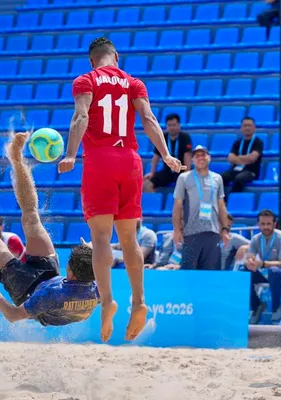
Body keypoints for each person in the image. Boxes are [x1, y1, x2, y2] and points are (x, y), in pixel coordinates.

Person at [58, 36, 183, 342]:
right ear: (116, 56)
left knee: (101, 237)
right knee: (129, 239)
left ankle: (107, 301)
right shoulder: (133, 82)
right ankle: (139, 301)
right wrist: (166, 154)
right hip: (130, 160)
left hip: (100, 160)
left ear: (92, 60)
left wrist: (71, 154)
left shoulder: (86, 80)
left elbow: (81, 116)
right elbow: (149, 118)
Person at [0, 133, 99, 326]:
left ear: (71, 274)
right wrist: (88, 251)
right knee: (31, 217)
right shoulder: (96, 289)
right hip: (50, 278)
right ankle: (16, 158)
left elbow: (13, 316)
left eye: (69, 264)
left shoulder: (51, 295)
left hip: (26, 290)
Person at [173, 145, 231, 270]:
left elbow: (221, 205)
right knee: (189, 272)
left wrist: (225, 229)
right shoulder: (184, 178)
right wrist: (177, 230)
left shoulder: (217, 178)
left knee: (211, 272)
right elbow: (177, 205)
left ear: (209, 157)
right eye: (197, 156)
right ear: (192, 159)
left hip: (213, 232)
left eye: (203, 155)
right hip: (191, 232)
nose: (200, 158)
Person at [245, 209, 281, 324]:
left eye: (268, 224)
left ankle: (276, 307)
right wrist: (250, 262)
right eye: (263, 224)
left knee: (274, 271)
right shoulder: (256, 239)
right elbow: (250, 257)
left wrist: (262, 264)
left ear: (274, 224)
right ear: (258, 224)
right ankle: (257, 306)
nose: (266, 227)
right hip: (266, 274)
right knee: (245, 271)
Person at [143, 113, 192, 192]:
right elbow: (156, 157)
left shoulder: (184, 137)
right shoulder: (163, 137)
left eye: (174, 125)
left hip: (181, 170)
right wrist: (152, 173)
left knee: (189, 186)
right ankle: (156, 200)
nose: (172, 127)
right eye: (169, 125)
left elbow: (188, 156)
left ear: (179, 125)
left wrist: (187, 174)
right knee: (146, 185)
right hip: (167, 171)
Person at [222, 117, 264, 194]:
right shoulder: (237, 142)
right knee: (220, 178)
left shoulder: (258, 142)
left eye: (249, 125)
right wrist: (246, 159)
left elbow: (252, 158)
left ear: (254, 128)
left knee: (239, 179)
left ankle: (231, 198)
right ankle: (220, 198)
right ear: (241, 128)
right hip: (236, 170)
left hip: (250, 171)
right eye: (245, 126)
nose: (247, 128)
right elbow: (231, 159)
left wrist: (238, 158)